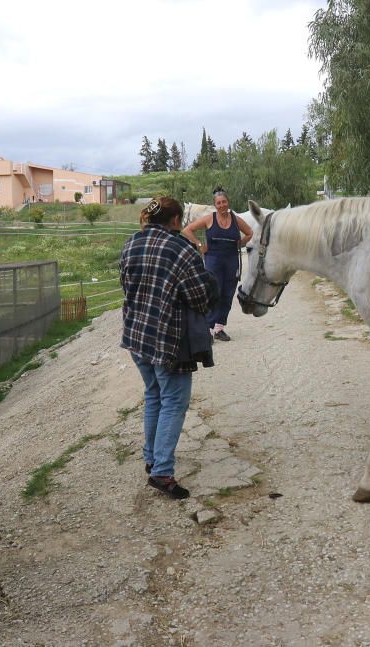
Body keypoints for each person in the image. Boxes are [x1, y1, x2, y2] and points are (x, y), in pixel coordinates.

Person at [120, 196, 217, 499]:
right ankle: (162, 471)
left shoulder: (131, 243)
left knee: (154, 396)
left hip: (137, 336)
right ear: (176, 221)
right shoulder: (181, 250)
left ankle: (151, 458)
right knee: (174, 402)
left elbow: (126, 285)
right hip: (168, 340)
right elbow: (200, 298)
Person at [182, 186, 253, 341]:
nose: (222, 205)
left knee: (227, 294)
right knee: (214, 293)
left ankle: (219, 328)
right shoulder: (209, 219)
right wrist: (200, 245)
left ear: (228, 202)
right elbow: (187, 230)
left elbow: (250, 233)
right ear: (215, 205)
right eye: (219, 203)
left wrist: (240, 243)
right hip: (213, 260)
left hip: (232, 260)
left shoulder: (235, 219)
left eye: (224, 202)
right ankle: (207, 329)